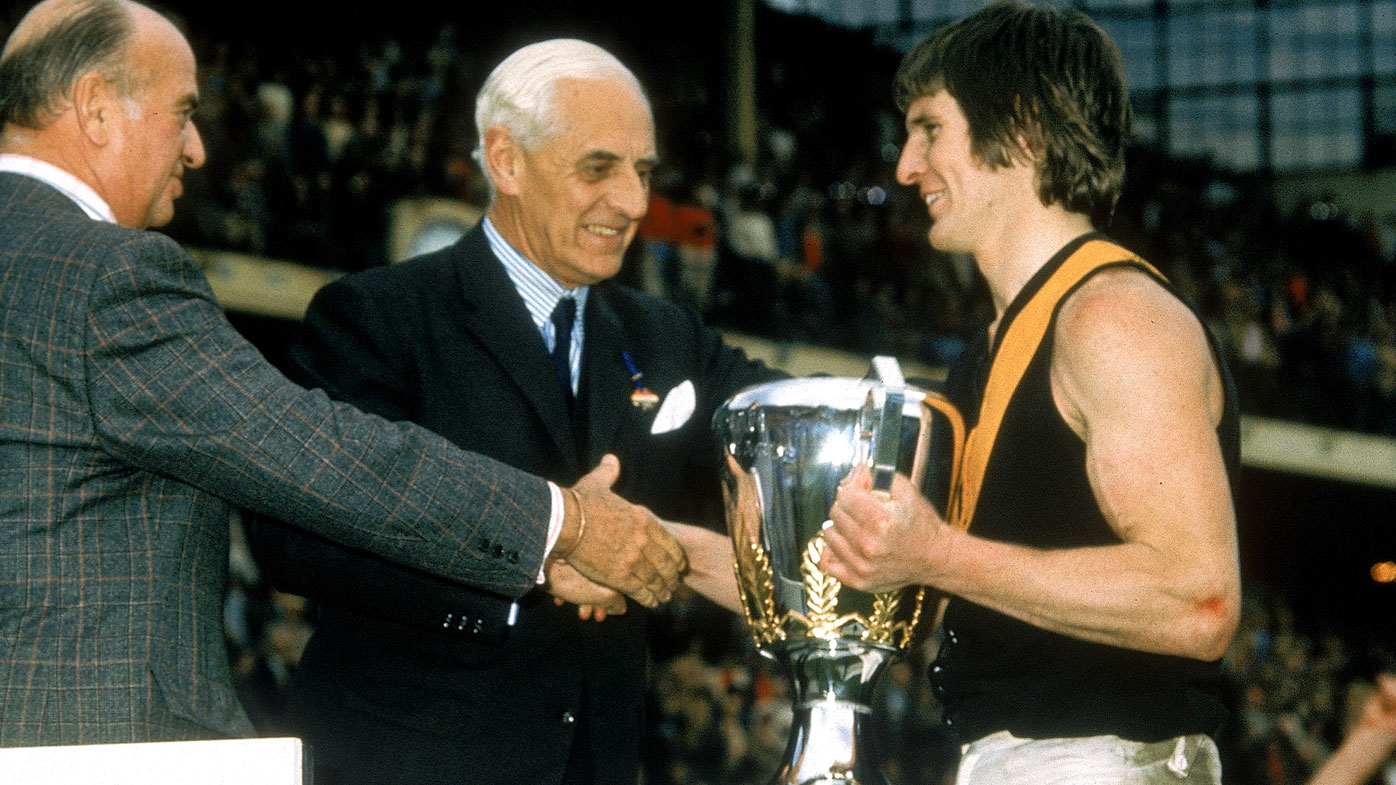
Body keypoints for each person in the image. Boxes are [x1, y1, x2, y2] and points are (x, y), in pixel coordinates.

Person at [0, 0, 685, 747]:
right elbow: (321, 454)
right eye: (182, 112)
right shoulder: (108, 275)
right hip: (81, 741)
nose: (195, 148)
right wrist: (565, 524)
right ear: (97, 109)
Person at [245, 39, 780, 785]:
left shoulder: (668, 336)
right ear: (506, 160)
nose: (631, 201)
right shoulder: (378, 316)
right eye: (599, 167)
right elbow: (293, 535)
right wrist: (542, 556)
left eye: (644, 172)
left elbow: (790, 412)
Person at [819, 3, 1243, 783]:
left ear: (1017, 127)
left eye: (930, 130)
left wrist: (940, 554)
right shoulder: (985, 355)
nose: (906, 167)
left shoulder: (1112, 317)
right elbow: (939, 594)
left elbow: (1199, 602)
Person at [1307, 674, 1396, 785]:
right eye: (1352, 696)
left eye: (1360, 697)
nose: (1355, 702)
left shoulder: (1384, 736)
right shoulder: (1330, 727)